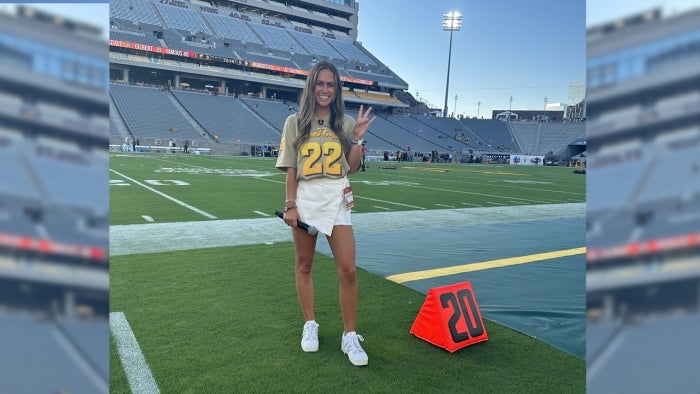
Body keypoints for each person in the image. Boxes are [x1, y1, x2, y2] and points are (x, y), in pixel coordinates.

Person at [275, 60, 375, 367]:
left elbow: (353, 167)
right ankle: (310, 324)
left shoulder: (344, 123)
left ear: (336, 89)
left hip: (337, 198)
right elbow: (291, 169)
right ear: (311, 86)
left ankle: (349, 335)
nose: (325, 89)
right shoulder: (295, 122)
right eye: (320, 83)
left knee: (348, 270)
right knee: (304, 265)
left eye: (331, 84)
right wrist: (291, 205)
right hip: (306, 198)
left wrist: (356, 137)